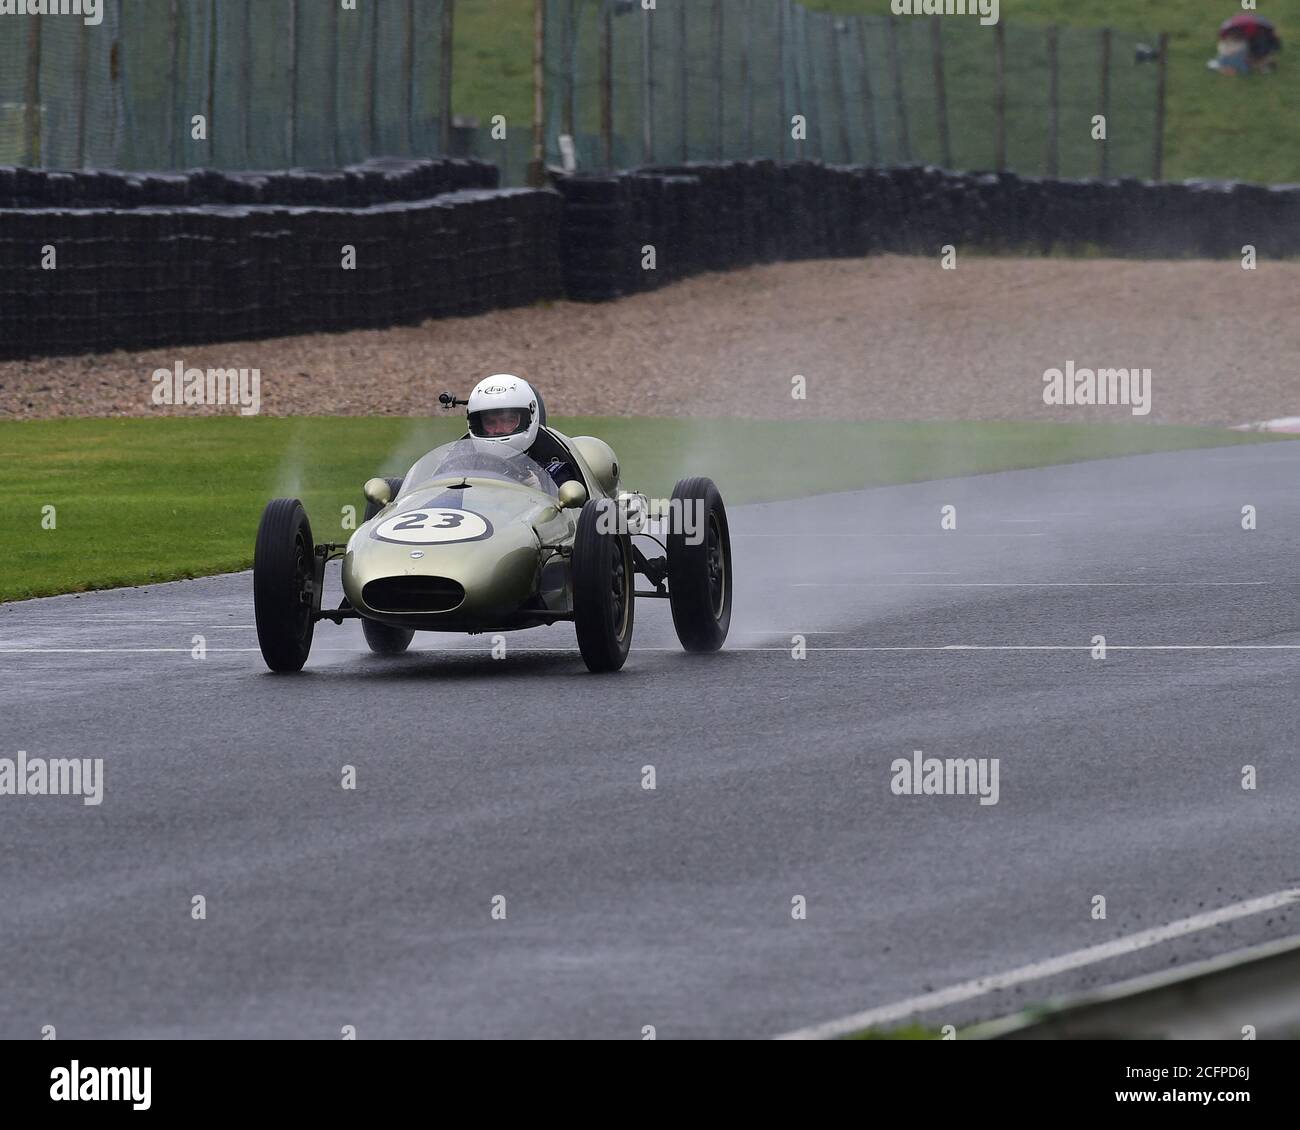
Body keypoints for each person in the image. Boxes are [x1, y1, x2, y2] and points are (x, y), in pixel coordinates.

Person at [464, 375, 580, 488]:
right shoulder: (463, 466)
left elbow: (574, 503)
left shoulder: (557, 472)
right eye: (490, 422)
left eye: (508, 421)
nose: (499, 429)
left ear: (527, 418)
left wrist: (542, 489)